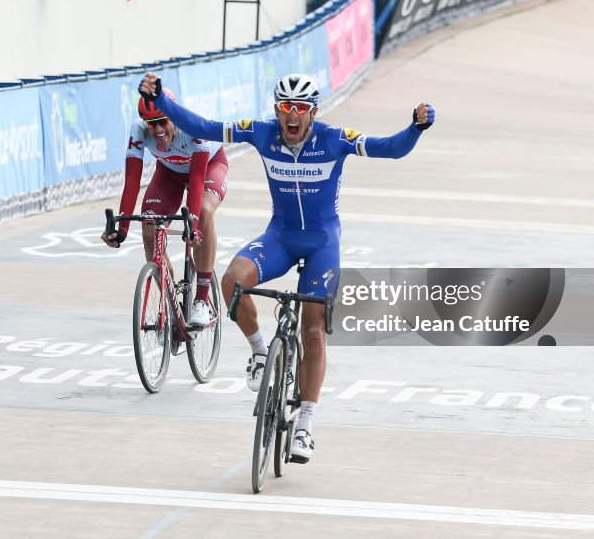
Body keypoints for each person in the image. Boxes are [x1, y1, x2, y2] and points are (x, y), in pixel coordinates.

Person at [138, 71, 434, 463]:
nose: (290, 116)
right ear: (276, 111)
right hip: (279, 236)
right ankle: (261, 352)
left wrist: (415, 127)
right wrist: (161, 102)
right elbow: (203, 126)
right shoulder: (262, 133)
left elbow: (390, 148)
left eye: (299, 109)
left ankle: (307, 424)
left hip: (322, 245)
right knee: (231, 282)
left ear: (312, 113)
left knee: (313, 332)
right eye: (284, 109)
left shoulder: (333, 139)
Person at [102, 90, 229, 327]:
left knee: (202, 213)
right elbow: (132, 182)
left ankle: (202, 300)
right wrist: (122, 229)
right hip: (169, 173)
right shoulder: (138, 130)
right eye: (152, 124)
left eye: (162, 122)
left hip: (208, 167)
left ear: (173, 116)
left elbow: (198, 180)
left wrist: (192, 225)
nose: (158, 130)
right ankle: (171, 306)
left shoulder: (192, 126)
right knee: (149, 228)